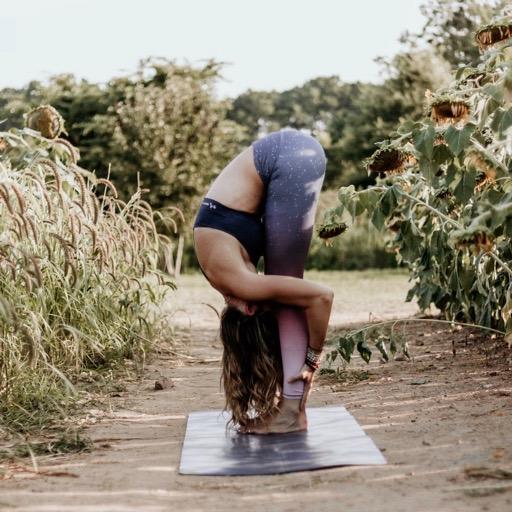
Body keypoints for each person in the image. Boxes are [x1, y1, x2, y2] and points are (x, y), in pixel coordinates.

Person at [192, 128, 333, 434]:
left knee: (288, 293)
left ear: (252, 311)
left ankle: (292, 412)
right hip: (287, 153)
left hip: (289, 157)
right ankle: (293, 409)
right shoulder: (225, 278)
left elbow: (322, 297)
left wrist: (312, 360)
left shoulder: (242, 285)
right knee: (286, 290)